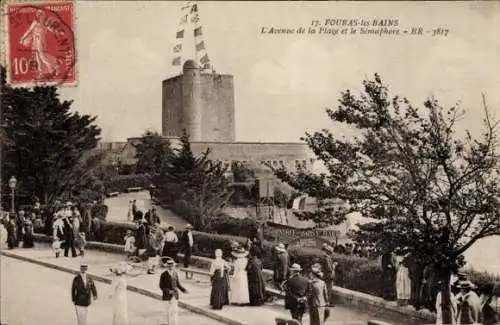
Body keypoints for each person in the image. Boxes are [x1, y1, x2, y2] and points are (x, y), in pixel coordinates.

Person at [159, 258, 188, 325]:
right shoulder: (163, 275)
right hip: (166, 295)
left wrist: (184, 290)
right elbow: (161, 286)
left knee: (175, 311)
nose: (171, 267)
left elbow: (178, 284)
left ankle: (175, 323)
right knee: (167, 311)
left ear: (173, 266)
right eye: (169, 266)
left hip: (175, 295)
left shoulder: (175, 273)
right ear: (167, 266)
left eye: (172, 266)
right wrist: (168, 291)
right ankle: (167, 323)